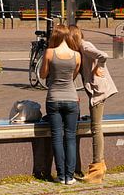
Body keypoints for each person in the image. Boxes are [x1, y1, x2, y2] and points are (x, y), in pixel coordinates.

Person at [69, 25, 117, 184]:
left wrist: (99, 68)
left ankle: (98, 167)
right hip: (95, 91)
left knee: (96, 128)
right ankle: (98, 167)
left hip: (99, 92)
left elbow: (103, 55)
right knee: (95, 126)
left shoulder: (85, 46)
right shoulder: (81, 48)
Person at [39, 24, 81, 185]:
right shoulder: (77, 55)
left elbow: (43, 75)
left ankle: (61, 175)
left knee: (57, 137)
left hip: (54, 99)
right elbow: (73, 76)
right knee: (70, 137)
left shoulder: (49, 52)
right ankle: (70, 177)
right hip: (72, 98)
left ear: (54, 36)